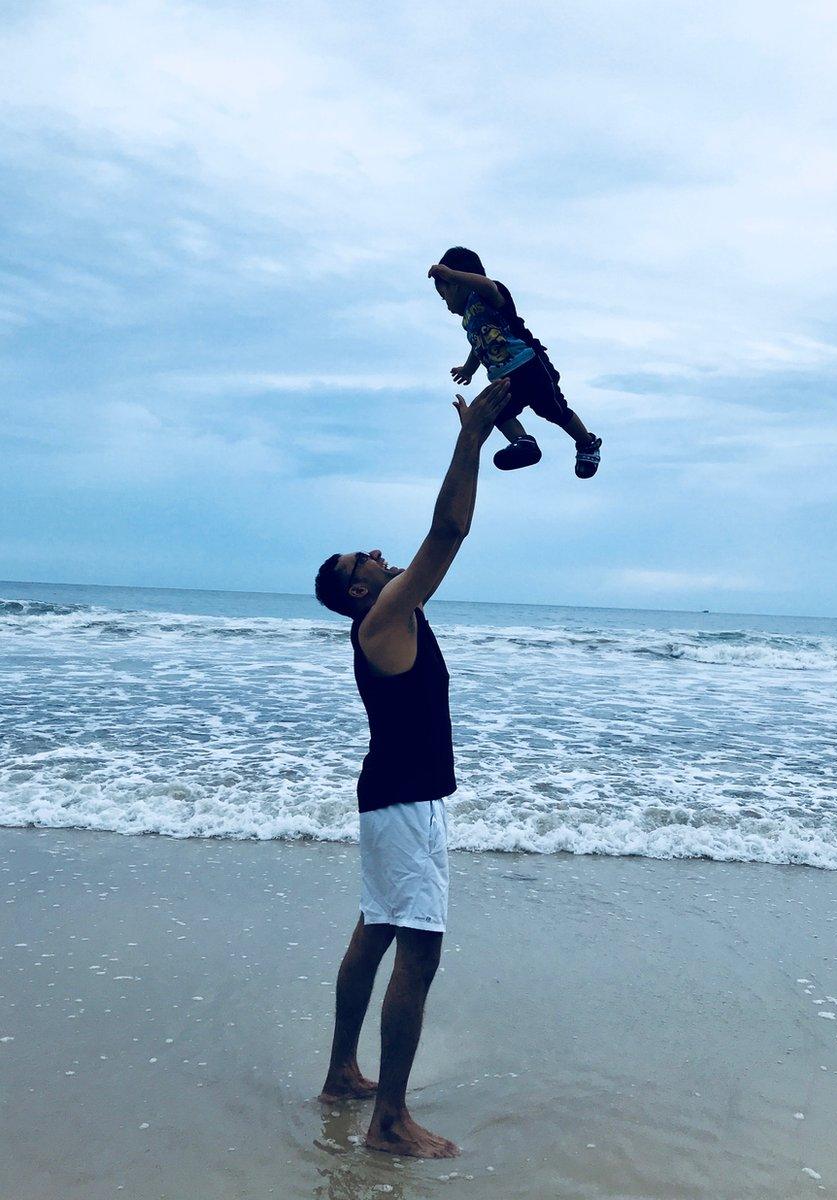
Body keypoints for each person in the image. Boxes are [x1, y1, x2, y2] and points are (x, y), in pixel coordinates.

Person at [313, 377, 512, 1159]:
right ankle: (388, 1121)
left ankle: (340, 1075)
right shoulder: (384, 615)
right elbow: (450, 530)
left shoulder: (389, 612)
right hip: (406, 804)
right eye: (367, 556)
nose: (379, 550)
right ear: (361, 587)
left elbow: (438, 538)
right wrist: (471, 441)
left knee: (376, 930)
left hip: (388, 798)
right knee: (418, 950)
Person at [428, 246, 603, 477]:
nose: (447, 305)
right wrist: (468, 370)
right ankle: (524, 443)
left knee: (553, 409)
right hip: (504, 379)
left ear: (459, 284)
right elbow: (478, 346)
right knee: (498, 413)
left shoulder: (487, 294)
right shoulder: (469, 320)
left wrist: (450, 273)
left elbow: (486, 284)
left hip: (530, 365)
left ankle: (586, 443)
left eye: (444, 296)